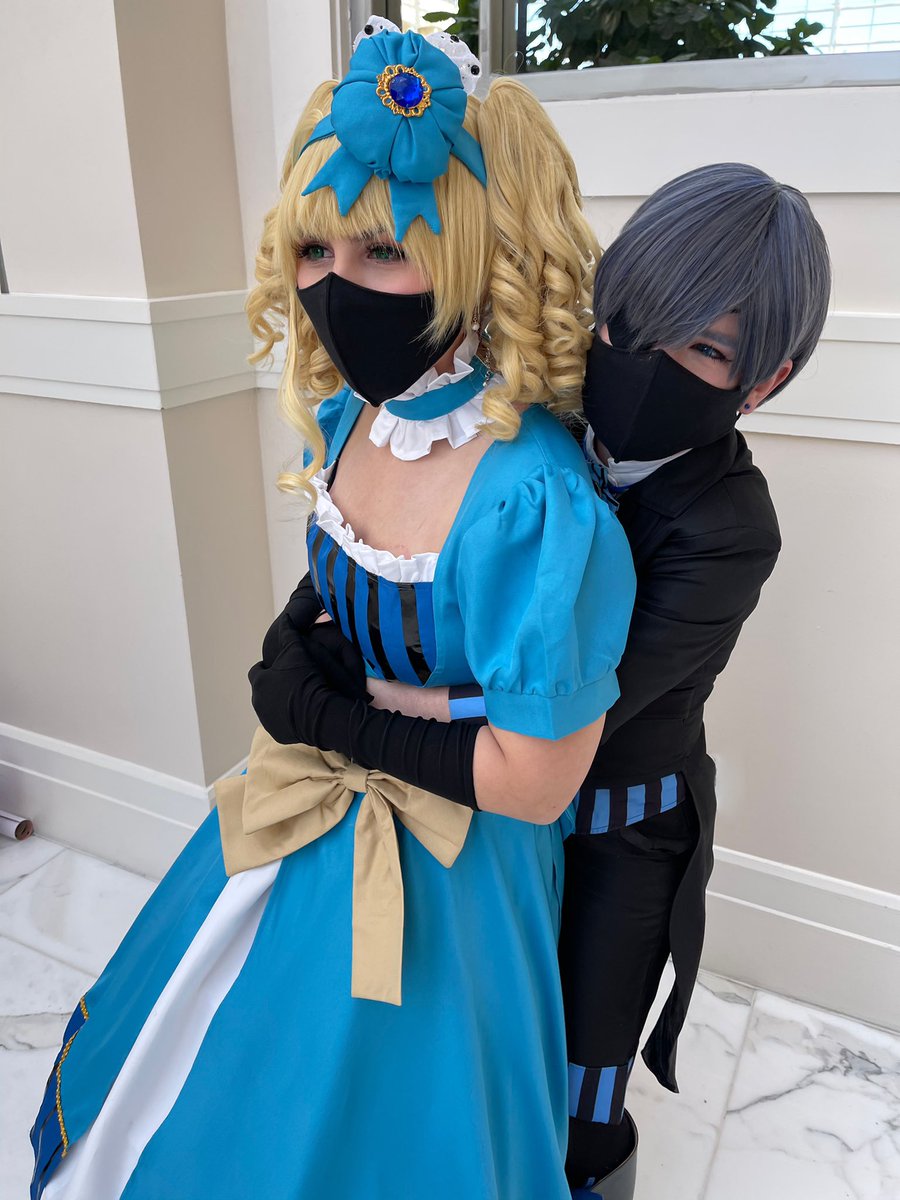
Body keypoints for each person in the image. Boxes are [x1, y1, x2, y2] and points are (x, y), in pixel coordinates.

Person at [29, 22, 635, 1200]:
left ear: (479, 251)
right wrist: (297, 640)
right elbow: (348, 575)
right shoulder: (362, 414)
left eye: (385, 250)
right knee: (219, 1071)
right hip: (301, 803)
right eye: (314, 246)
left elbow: (536, 781)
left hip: (455, 866)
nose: (333, 284)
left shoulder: (531, 497)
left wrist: (333, 719)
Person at [251, 162, 831, 1198]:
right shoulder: (540, 409)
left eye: (703, 349)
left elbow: (564, 713)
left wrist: (354, 702)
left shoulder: (728, 528)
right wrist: (311, 617)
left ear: (766, 378)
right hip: (482, 824)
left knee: (579, 1088)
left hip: (611, 829)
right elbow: (425, 537)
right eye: (627, 325)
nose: (644, 363)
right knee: (467, 1061)